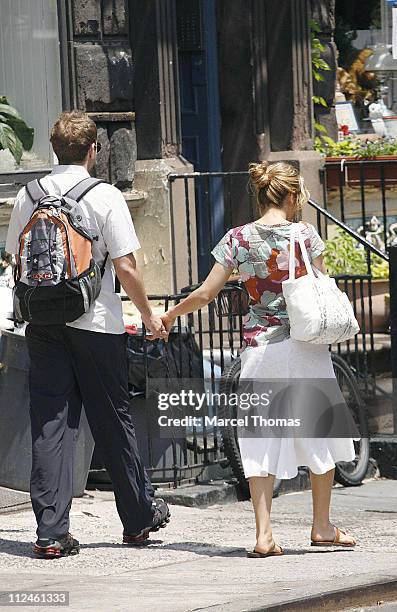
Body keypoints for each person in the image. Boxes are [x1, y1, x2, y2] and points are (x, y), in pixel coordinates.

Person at [161, 161, 357, 558]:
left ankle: (264, 535)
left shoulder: (237, 239)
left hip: (260, 349)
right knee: (319, 433)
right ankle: (321, 526)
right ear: (291, 196)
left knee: (260, 440)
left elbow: (204, 294)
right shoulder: (304, 234)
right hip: (305, 348)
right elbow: (319, 288)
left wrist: (168, 315)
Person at [5, 111, 170, 558]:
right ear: (94, 151)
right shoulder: (106, 196)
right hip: (97, 325)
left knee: (51, 422)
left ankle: (51, 532)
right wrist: (149, 315)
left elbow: (15, 258)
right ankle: (137, 521)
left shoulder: (28, 194)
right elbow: (127, 266)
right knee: (113, 420)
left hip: (42, 324)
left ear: (54, 151)